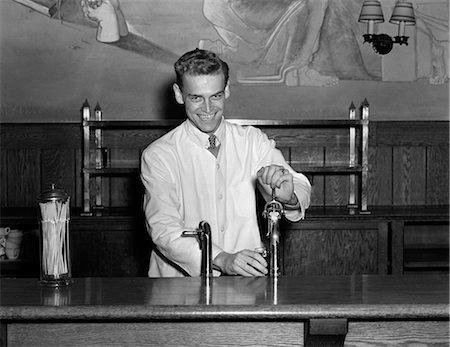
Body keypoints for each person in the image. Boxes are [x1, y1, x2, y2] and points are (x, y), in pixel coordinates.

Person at [140, 48, 311, 277]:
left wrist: (287, 196)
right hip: (178, 285)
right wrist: (221, 259)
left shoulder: (252, 140)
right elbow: (163, 228)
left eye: (216, 96)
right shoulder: (159, 155)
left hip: (246, 282)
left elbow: (298, 185)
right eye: (196, 97)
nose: (208, 109)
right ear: (179, 95)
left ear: (227, 90)